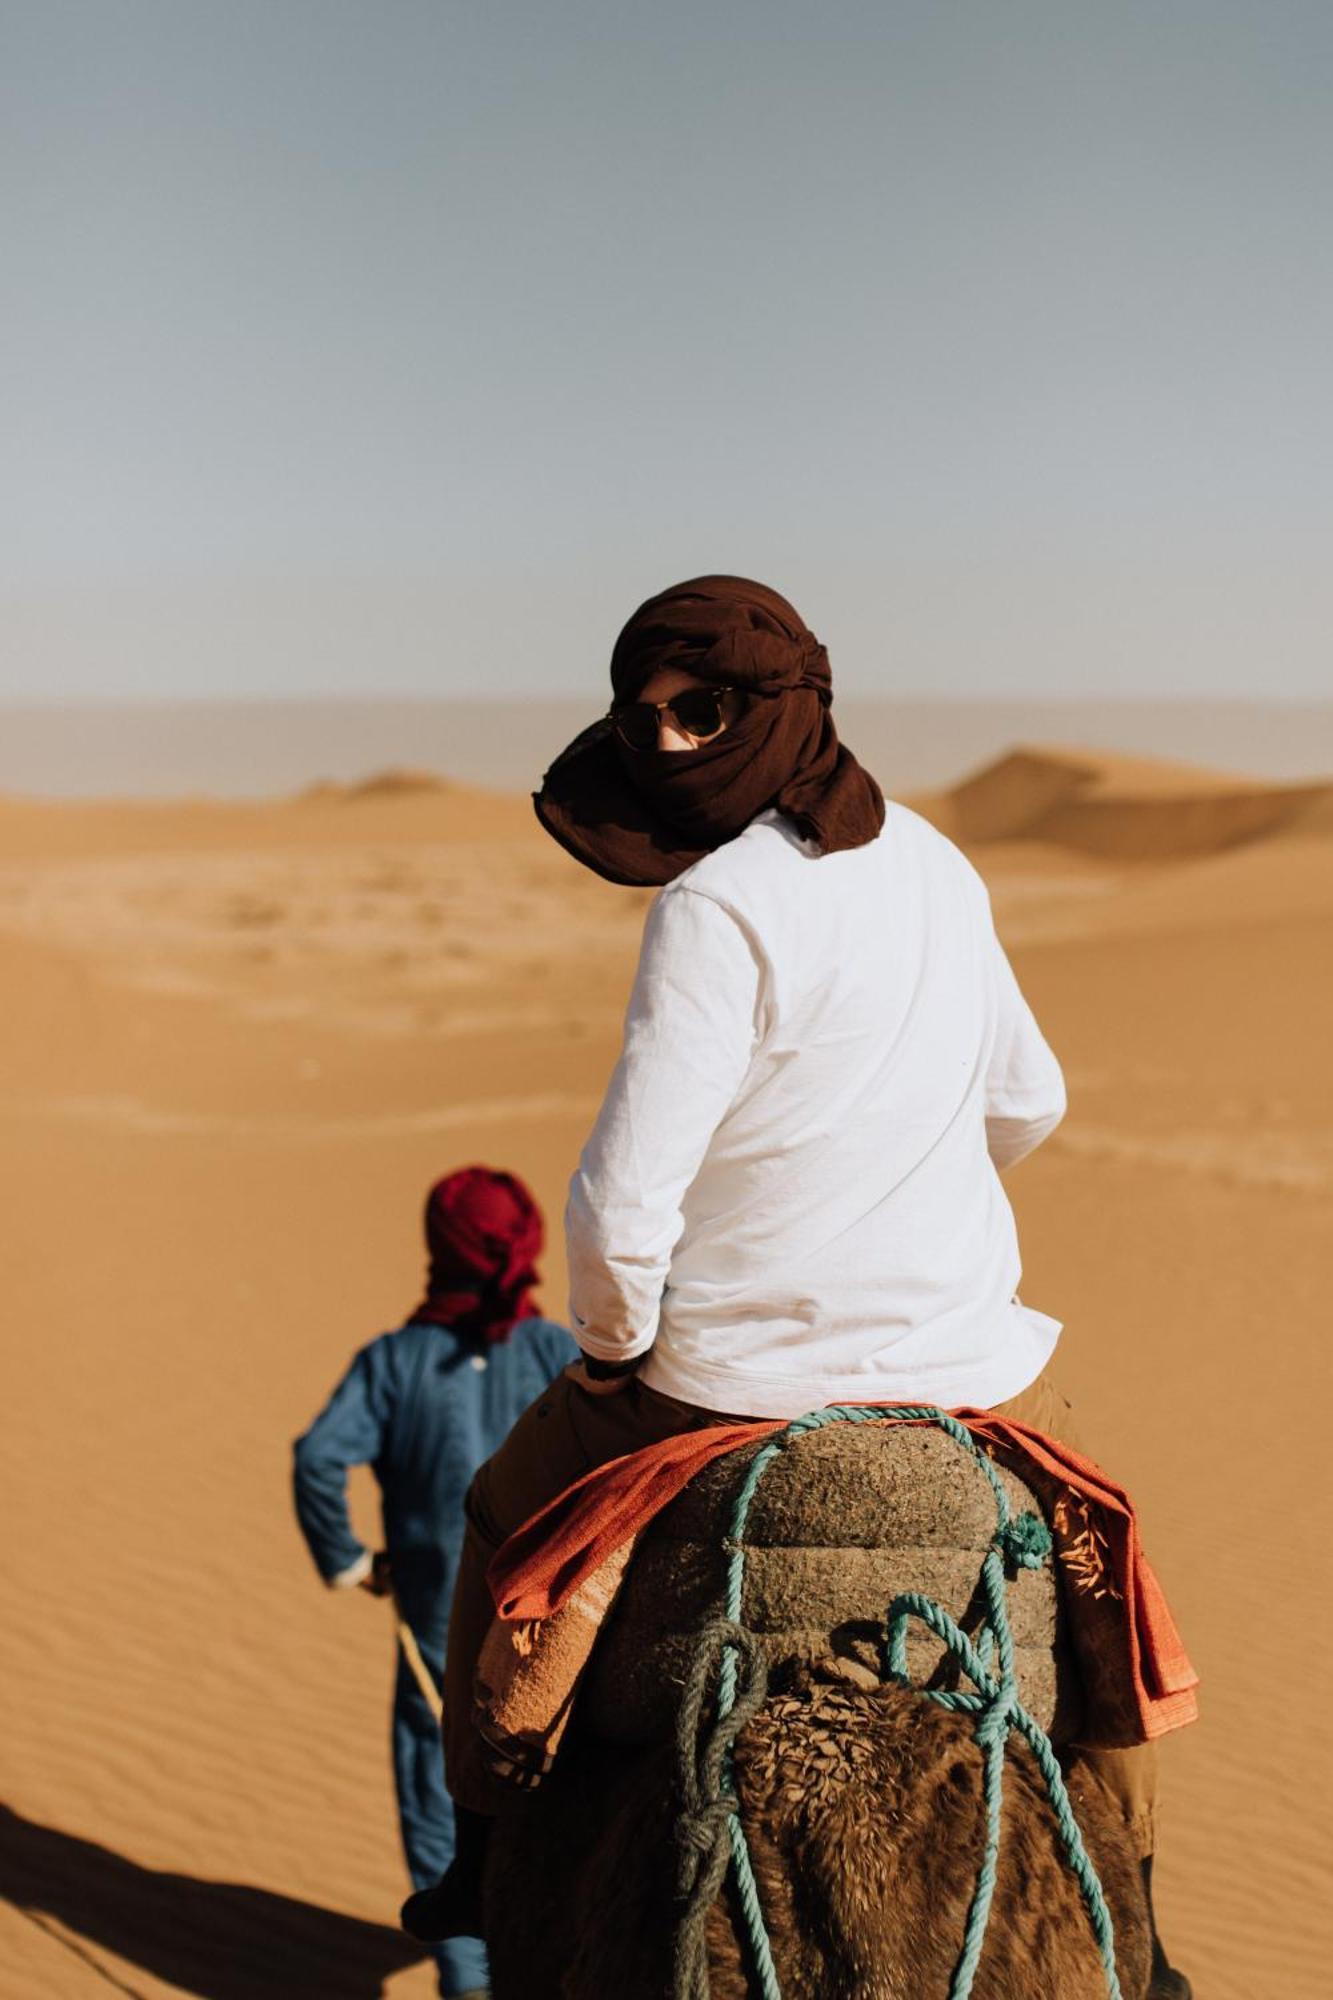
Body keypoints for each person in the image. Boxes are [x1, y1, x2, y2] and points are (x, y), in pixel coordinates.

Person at [406, 576, 1190, 1999]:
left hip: (727, 1382)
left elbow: (618, 1205)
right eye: (642, 718)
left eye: (701, 711)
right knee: (1094, 1569)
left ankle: (481, 1841)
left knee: (500, 1512)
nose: (668, 742)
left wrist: (607, 1356)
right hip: (965, 1364)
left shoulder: (714, 907)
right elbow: (1030, 1100)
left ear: (786, 708)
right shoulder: (941, 868)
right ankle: (1139, 1916)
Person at [293, 1166, 577, 2000]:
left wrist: (349, 1561)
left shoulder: (393, 1363)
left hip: (434, 1644)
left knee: (440, 1819)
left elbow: (317, 1458)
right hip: (551, 1651)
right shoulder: (556, 1353)